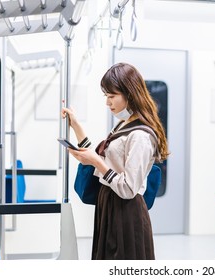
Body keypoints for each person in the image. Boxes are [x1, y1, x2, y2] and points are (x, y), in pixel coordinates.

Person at [61, 62, 169, 260]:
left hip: (125, 212)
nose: (108, 103)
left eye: (112, 97)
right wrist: (76, 126)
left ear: (130, 93)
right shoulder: (124, 124)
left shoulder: (141, 136)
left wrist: (96, 162)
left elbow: (128, 188)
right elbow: (107, 156)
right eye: (106, 97)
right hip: (110, 205)